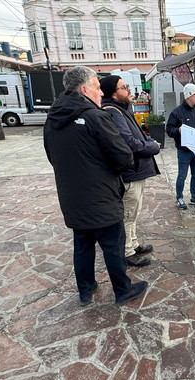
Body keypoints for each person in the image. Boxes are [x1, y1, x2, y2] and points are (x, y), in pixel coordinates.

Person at [43, 66, 148, 306]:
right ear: (83, 89)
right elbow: (123, 157)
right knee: (113, 245)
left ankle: (85, 290)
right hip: (101, 196)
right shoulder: (96, 117)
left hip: (71, 198)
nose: (101, 93)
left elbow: (52, 157)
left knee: (82, 245)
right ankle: (123, 290)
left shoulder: (52, 119)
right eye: (97, 87)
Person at [100, 75, 160, 268]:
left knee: (134, 212)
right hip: (129, 172)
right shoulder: (113, 111)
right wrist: (153, 146)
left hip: (136, 171)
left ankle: (133, 244)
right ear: (114, 93)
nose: (128, 90)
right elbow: (130, 143)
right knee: (128, 214)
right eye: (124, 87)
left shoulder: (122, 109)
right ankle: (127, 252)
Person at [166, 83, 195, 210]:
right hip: (184, 150)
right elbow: (169, 130)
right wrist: (178, 130)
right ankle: (179, 197)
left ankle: (194, 197)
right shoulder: (176, 112)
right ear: (189, 96)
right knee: (182, 175)